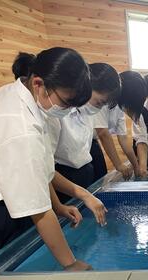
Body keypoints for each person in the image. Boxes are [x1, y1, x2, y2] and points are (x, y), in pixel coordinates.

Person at [0, 47, 92, 270]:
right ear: (39, 83)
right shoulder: (20, 128)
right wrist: (71, 264)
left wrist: (58, 205)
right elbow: (37, 209)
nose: (67, 111)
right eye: (66, 102)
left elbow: (39, 170)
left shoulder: (25, 96)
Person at [47, 63, 128, 205]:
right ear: (86, 87)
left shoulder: (87, 112)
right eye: (99, 102)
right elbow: (46, 169)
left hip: (84, 172)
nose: (99, 108)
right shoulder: (58, 113)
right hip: (62, 179)